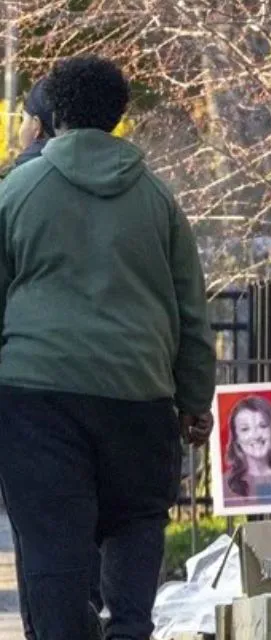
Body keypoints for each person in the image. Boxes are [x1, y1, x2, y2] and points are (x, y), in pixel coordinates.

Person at [0, 55, 216, 640]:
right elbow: (190, 309)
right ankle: (128, 629)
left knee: (51, 539)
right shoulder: (158, 200)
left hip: (38, 397)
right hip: (139, 392)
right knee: (137, 521)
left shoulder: (18, 190)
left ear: (53, 114)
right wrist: (196, 399)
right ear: (119, 116)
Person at [0, 74, 107, 640]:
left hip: (35, 382)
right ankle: (87, 612)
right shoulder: (137, 184)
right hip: (122, 380)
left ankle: (53, 627)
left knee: (40, 527)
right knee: (93, 519)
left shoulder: (19, 184)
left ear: (38, 125)